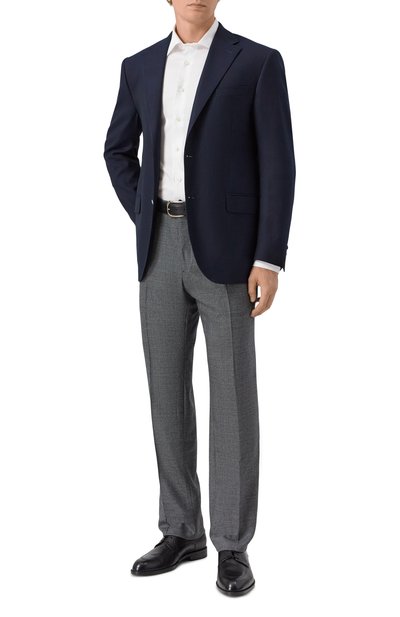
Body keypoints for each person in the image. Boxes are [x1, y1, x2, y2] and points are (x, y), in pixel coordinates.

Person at [103, 0, 296, 596]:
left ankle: (232, 544)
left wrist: (268, 257)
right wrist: (144, 214)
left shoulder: (257, 62)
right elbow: (117, 150)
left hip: (231, 253)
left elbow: (279, 163)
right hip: (159, 246)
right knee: (165, 390)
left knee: (233, 394)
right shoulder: (138, 66)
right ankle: (181, 530)